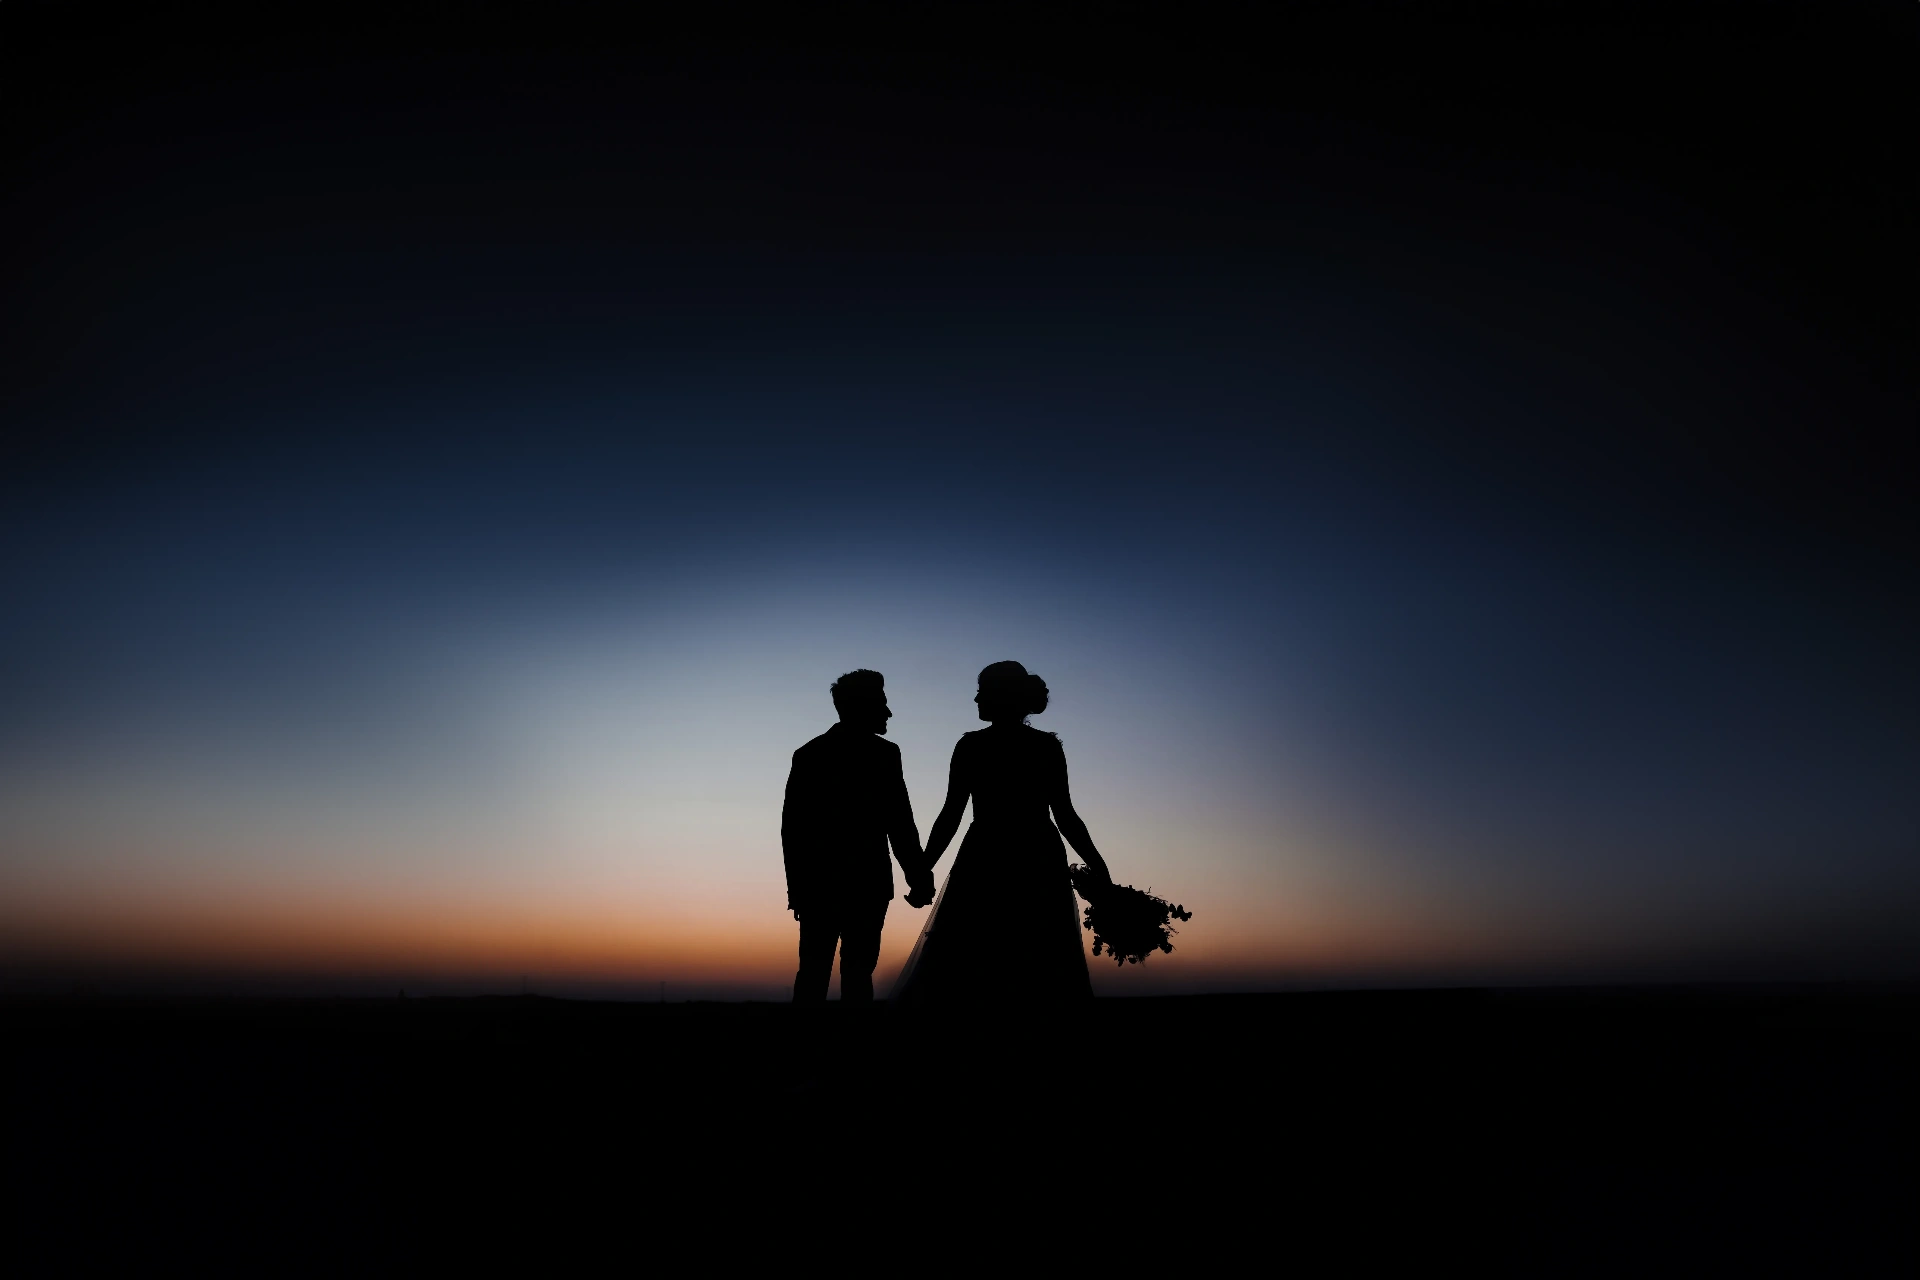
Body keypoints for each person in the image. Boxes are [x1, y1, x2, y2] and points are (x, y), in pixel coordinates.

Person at [890, 661, 1113, 1005]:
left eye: (983, 691)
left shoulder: (972, 746)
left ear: (1002, 696)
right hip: (1034, 853)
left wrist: (924, 867)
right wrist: (1098, 866)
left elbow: (952, 814)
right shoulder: (1044, 747)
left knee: (975, 950)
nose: (976, 698)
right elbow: (1065, 815)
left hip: (989, 853)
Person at [782, 669, 934, 1003]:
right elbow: (900, 823)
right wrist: (919, 877)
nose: (888, 712)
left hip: (825, 886)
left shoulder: (810, 753)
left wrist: (798, 888)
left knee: (816, 972)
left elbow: (793, 830)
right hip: (863, 883)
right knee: (851, 974)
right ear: (862, 705)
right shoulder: (883, 754)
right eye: (882, 703)